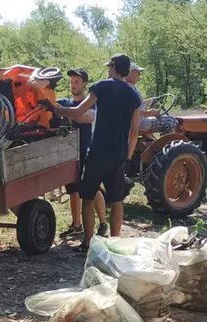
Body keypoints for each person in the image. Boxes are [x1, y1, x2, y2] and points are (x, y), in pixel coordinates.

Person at [41, 54, 141, 252]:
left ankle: (87, 242)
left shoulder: (101, 87)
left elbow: (78, 112)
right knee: (117, 199)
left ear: (113, 67)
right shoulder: (134, 95)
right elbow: (135, 131)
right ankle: (115, 244)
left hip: (98, 151)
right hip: (120, 154)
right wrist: (128, 156)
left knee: (87, 197)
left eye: (109, 66)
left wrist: (53, 108)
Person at [54, 68, 108, 239]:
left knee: (90, 188)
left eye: (77, 82)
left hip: (86, 151)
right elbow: (52, 105)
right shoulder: (66, 102)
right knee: (72, 190)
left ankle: (103, 223)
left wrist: (64, 112)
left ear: (85, 84)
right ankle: (76, 225)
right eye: (71, 82)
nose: (73, 85)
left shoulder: (91, 103)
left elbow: (87, 117)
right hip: (70, 154)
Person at [124, 63, 178, 135]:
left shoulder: (128, 87)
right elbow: (131, 110)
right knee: (170, 121)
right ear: (130, 73)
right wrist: (149, 113)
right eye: (137, 72)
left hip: (138, 121)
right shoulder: (129, 89)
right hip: (139, 123)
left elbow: (136, 105)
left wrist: (151, 100)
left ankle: (152, 142)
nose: (139, 74)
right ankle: (165, 145)